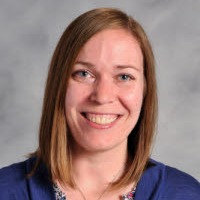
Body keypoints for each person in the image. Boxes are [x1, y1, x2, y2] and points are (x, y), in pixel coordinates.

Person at [0, 7, 199, 200]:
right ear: (58, 84)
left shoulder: (186, 195)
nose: (102, 96)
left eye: (124, 76)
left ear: (145, 90)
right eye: (84, 73)